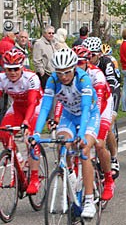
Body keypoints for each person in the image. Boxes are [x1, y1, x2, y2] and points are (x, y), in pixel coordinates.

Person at [31, 48, 100, 218]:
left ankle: (89, 200)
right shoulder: (53, 81)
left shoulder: (83, 79)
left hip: (89, 115)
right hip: (68, 116)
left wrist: (82, 134)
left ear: (74, 68)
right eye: (59, 73)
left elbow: (85, 109)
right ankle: (70, 174)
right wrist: (37, 133)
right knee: (62, 144)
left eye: (67, 72)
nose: (63, 77)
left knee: (84, 150)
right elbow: (46, 107)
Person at [71, 46, 115, 199]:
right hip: (83, 107)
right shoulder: (68, 74)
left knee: (99, 144)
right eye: (74, 63)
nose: (76, 66)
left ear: (87, 62)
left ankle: (109, 179)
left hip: (101, 106)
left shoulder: (96, 75)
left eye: (80, 63)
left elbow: (99, 102)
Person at [0, 49, 43, 195]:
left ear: (22, 67)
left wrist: (26, 122)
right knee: (3, 133)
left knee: (31, 139)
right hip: (17, 107)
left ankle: (35, 178)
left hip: (35, 107)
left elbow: (32, 103)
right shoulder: (2, 79)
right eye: (8, 69)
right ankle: (17, 159)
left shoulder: (31, 78)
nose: (12, 73)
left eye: (15, 69)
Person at [83, 37, 121, 179]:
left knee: (108, 126)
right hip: (92, 96)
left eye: (92, 54)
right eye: (87, 54)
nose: (88, 57)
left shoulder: (106, 63)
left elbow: (111, 84)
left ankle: (114, 158)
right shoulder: (82, 65)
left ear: (99, 53)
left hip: (109, 94)